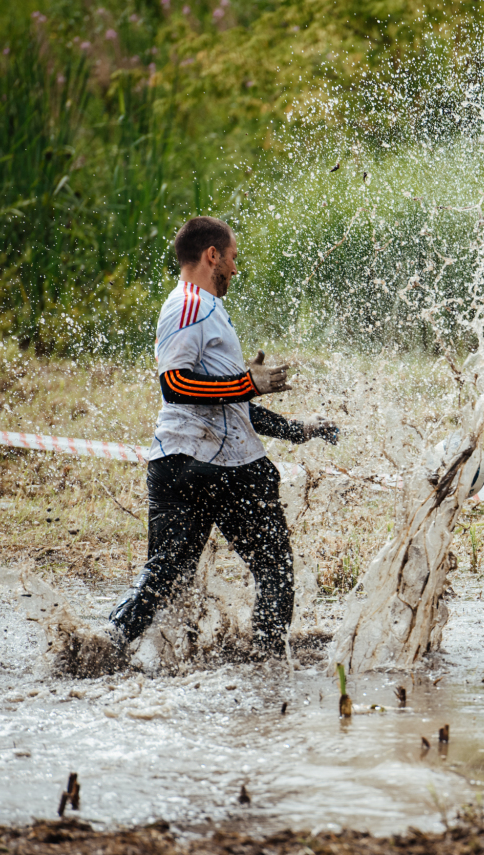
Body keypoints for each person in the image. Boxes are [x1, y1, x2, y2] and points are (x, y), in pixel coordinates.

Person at [103, 216, 339, 663]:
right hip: (222, 468)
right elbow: (174, 386)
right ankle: (269, 671)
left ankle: (104, 648)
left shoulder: (196, 308)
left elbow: (227, 403)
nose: (234, 269)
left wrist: (297, 429)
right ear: (212, 255)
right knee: (273, 570)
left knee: (166, 578)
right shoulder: (193, 304)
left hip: (176, 466)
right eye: (232, 258)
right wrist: (248, 383)